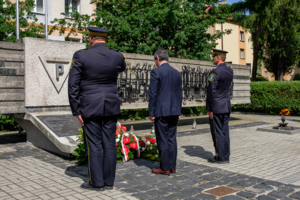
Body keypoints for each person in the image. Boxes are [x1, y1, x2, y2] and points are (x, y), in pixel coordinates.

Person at [68, 27, 126, 190]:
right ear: (105, 39)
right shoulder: (117, 56)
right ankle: (109, 182)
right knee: (109, 143)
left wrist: (76, 110)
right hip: (111, 105)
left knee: (94, 144)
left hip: (90, 105)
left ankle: (97, 183)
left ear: (91, 39)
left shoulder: (81, 55)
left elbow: (73, 85)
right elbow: (121, 68)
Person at [148, 48, 182, 175]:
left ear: (157, 59)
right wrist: (178, 110)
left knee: (162, 138)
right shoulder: (176, 73)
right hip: (174, 110)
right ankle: (172, 167)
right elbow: (179, 93)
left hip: (161, 111)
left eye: (155, 60)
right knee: (171, 138)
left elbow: (153, 93)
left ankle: (164, 167)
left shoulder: (156, 72)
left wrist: (151, 112)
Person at [206, 49, 233, 164]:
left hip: (216, 107)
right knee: (225, 131)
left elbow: (211, 91)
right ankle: (226, 155)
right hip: (226, 106)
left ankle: (220, 157)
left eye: (213, 56)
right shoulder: (229, 71)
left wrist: (209, 108)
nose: (212, 58)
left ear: (218, 57)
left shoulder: (215, 72)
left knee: (217, 132)